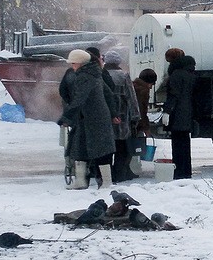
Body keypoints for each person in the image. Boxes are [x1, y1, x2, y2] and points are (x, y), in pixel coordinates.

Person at [58, 49, 118, 189]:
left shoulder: (84, 77)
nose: (72, 66)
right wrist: (113, 113)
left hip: (93, 118)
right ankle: (83, 181)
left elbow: (79, 99)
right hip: (91, 117)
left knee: (99, 150)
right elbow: (109, 94)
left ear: (79, 63)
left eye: (73, 63)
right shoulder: (95, 73)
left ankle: (104, 182)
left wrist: (67, 117)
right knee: (82, 147)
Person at [103, 50, 141, 183]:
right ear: (118, 62)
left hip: (105, 118)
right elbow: (132, 98)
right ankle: (119, 174)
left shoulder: (102, 75)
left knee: (107, 150)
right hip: (122, 119)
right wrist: (136, 117)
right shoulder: (123, 76)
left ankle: (106, 175)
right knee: (122, 149)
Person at [162, 48, 196, 180]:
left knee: (177, 145)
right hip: (188, 112)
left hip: (178, 113)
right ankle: (186, 171)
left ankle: (179, 172)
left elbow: (173, 95)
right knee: (185, 144)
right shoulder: (190, 72)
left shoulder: (176, 74)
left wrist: (167, 112)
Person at [132, 68, 157, 136]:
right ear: (149, 82)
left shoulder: (132, 86)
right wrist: (146, 128)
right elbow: (142, 111)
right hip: (137, 124)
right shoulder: (143, 91)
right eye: (152, 84)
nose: (151, 87)